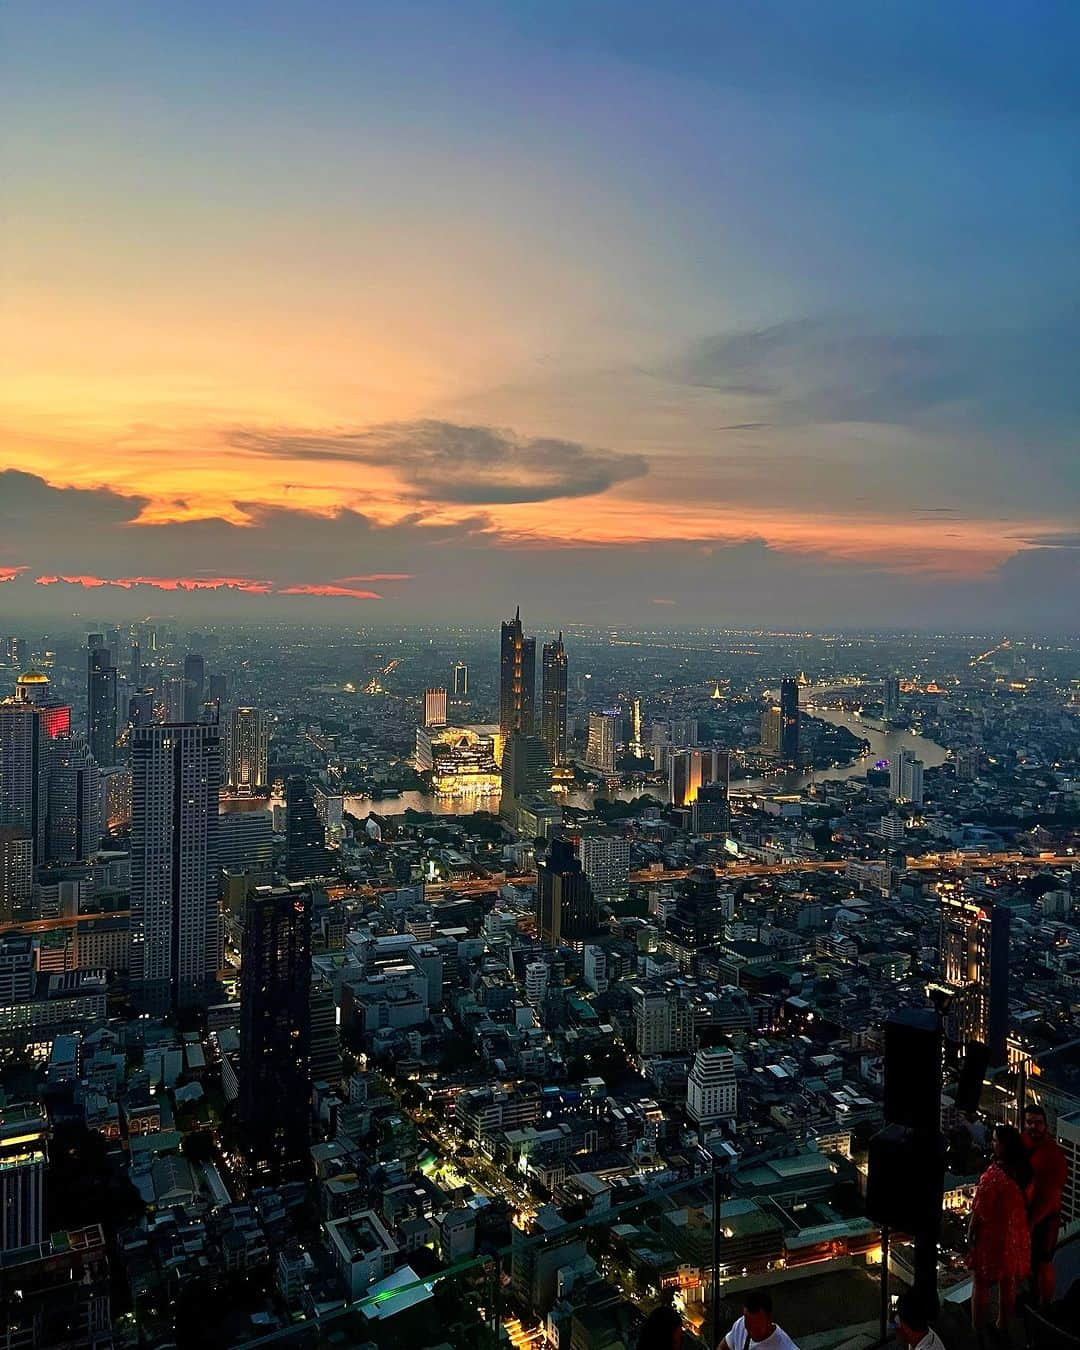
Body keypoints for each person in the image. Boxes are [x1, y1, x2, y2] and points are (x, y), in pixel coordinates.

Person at [967, 1124, 1032, 1333]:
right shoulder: (1023, 1171)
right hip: (1014, 1235)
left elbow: (980, 1210)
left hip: (992, 1237)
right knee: (1008, 1281)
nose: (992, 1144)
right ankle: (1004, 1322)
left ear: (1004, 1146)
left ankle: (977, 1328)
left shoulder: (993, 1176)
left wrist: (970, 1233)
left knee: (981, 1283)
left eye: (995, 1140)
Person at [1022, 1104, 1068, 1307]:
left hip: (1045, 1219)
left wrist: (1031, 1223)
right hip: (1028, 1215)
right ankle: (1034, 1297)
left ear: (1046, 1126)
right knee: (1031, 1264)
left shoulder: (1052, 1155)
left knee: (1043, 1263)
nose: (1033, 1127)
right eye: (1029, 1122)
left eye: (1038, 1123)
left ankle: (1044, 1305)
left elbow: (1052, 1198)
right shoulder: (1024, 1143)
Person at [718, 1291, 799, 1350]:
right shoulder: (740, 1324)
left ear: (769, 1320)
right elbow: (724, 1346)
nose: (750, 1331)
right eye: (748, 1324)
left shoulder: (785, 1347)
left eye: (756, 1327)